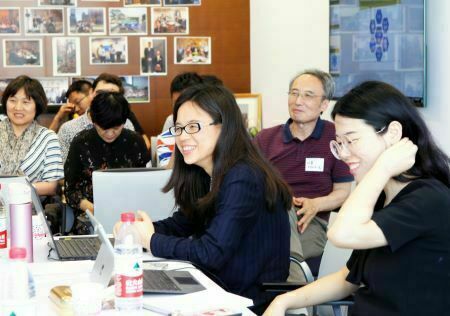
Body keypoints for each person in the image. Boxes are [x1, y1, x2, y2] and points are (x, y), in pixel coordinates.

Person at [264, 81, 450, 316]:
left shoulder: (428, 198)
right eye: (340, 143)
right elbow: (349, 277)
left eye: (351, 141)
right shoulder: (381, 198)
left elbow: (340, 234)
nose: (344, 154)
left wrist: (381, 169)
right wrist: (284, 301)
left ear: (393, 133)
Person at [115, 84, 292, 312]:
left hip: (247, 300)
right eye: (179, 128)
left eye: (193, 127)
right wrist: (135, 231)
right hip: (215, 285)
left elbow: (211, 253)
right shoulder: (205, 172)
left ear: (224, 126)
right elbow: (184, 222)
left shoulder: (243, 176)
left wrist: (150, 240)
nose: (183, 137)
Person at [254, 69, 353, 263]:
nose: (298, 101)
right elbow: (249, 183)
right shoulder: (265, 139)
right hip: (269, 217)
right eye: (294, 93)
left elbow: (343, 192)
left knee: (269, 250)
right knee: (281, 204)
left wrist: (315, 204)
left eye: (308, 95)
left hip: (313, 223)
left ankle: (292, 278)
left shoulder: (336, 137)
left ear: (324, 104)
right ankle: (296, 280)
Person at [64, 92, 148, 222]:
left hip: (130, 213)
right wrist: (96, 210)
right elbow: (70, 192)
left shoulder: (135, 141)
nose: (110, 134)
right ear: (93, 120)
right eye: (104, 128)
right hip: (91, 215)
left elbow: (144, 185)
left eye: (116, 128)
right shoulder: (81, 142)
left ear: (124, 122)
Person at [58, 73, 147, 162]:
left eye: (113, 94)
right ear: (91, 92)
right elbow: (63, 170)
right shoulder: (68, 129)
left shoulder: (127, 125)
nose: (106, 98)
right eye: (100, 93)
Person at [0, 75, 63, 196]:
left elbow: (51, 186)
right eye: (12, 100)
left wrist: (12, 189)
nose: (18, 107)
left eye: (26, 102)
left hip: (30, 209)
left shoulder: (48, 138)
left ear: (37, 105)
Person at [157, 73, 223, 168]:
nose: (183, 108)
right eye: (177, 104)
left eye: (187, 102)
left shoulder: (214, 128)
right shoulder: (167, 135)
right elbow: (167, 175)